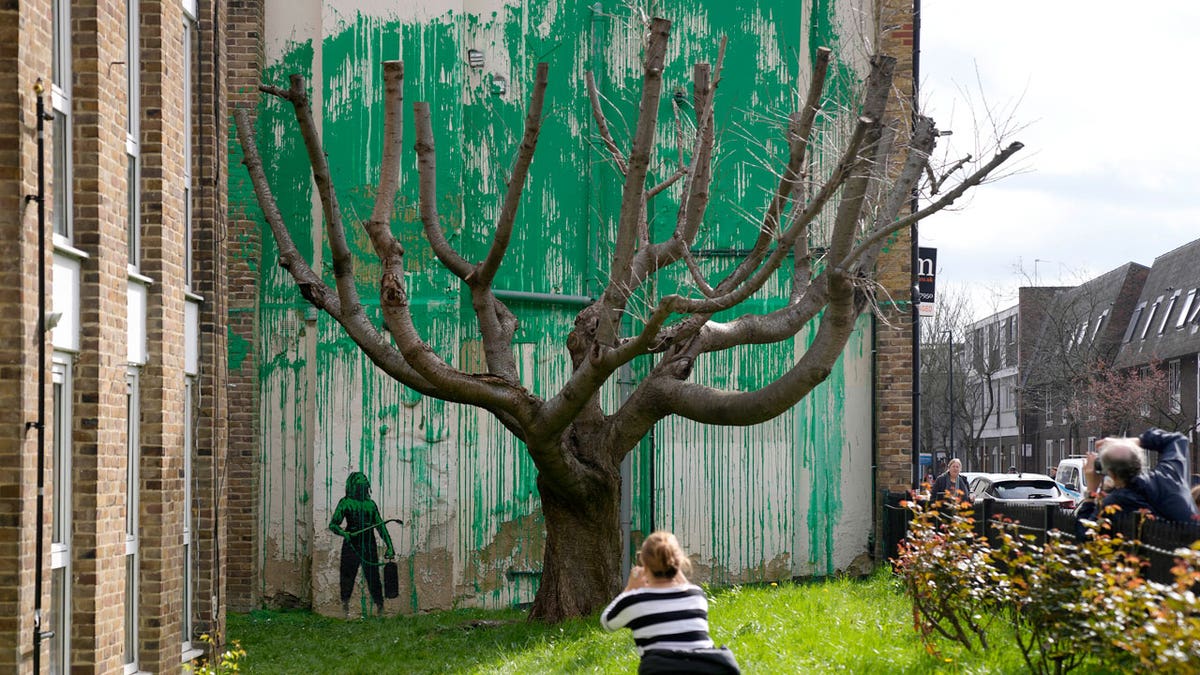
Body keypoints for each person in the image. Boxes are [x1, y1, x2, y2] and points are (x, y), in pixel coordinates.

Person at [601, 532, 740, 674]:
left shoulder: (635, 600)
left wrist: (630, 588)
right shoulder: (697, 595)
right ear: (679, 563)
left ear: (645, 566)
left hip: (662, 668)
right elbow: (685, 586)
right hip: (707, 668)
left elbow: (607, 623)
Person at [1076, 428, 1200, 523]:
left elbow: (1085, 534)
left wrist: (1091, 489)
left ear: (1112, 474)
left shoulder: (1115, 503)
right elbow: (1177, 440)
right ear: (1141, 462)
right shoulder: (1170, 476)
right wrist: (1128, 442)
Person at [330, 471, 395, 616]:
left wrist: (390, 546)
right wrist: (343, 533)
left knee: (373, 577)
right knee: (347, 576)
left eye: (364, 480)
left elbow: (380, 527)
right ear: (353, 484)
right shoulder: (345, 502)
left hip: (368, 544)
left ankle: (380, 607)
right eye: (359, 480)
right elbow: (333, 525)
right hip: (351, 543)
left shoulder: (370, 505)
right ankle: (344, 608)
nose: (362, 481)